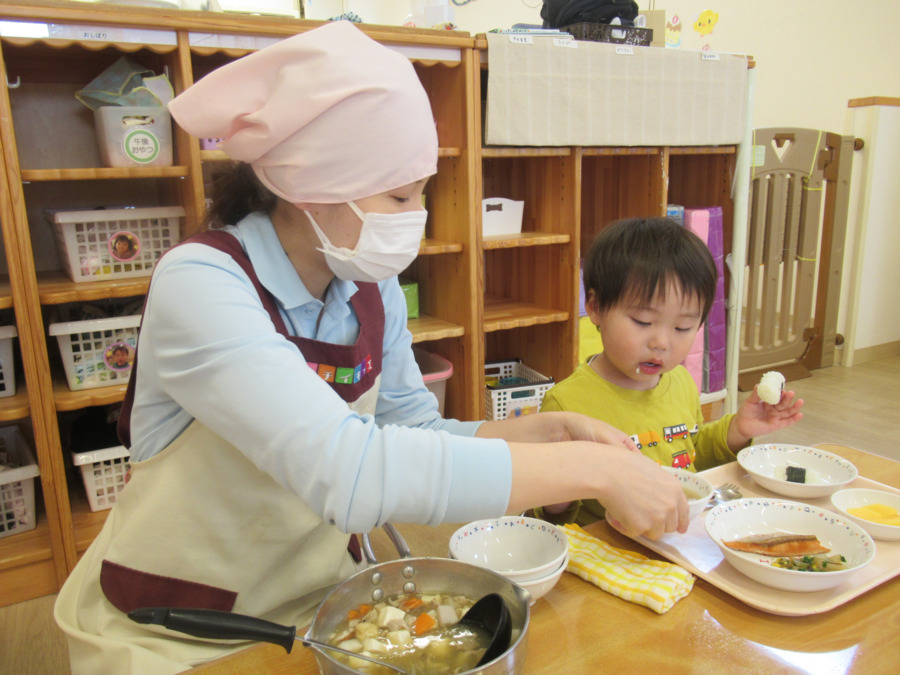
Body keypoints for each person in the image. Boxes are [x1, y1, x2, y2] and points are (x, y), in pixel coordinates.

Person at [54, 22, 689, 673]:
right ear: (310, 190)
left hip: (322, 607)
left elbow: (411, 428)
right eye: (400, 196)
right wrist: (596, 470)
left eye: (420, 193)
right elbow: (350, 471)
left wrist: (540, 433)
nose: (417, 214)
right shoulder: (201, 285)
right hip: (183, 629)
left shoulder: (367, 282)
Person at [534, 217, 805, 526]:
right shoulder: (567, 404)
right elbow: (547, 518)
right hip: (613, 553)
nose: (661, 342)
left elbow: (692, 455)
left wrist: (739, 430)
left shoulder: (679, 382)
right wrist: (559, 493)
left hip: (678, 538)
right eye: (642, 322)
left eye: (682, 327)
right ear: (595, 307)